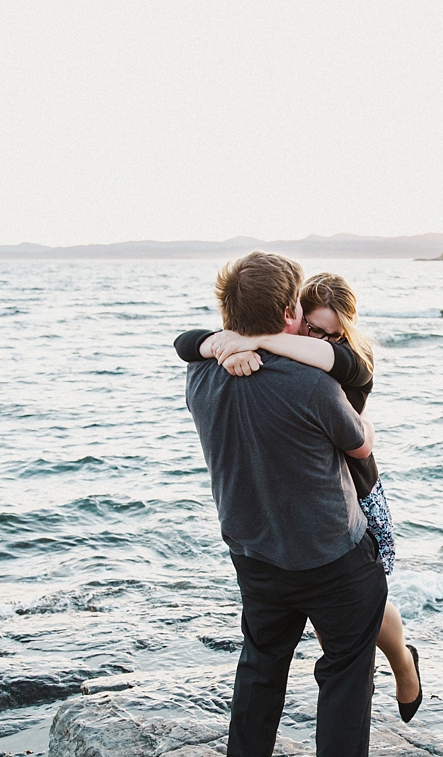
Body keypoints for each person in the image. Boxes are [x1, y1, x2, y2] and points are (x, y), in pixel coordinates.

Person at [180, 251, 397, 757]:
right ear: (288, 312)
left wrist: (223, 344)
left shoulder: (201, 376)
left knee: (263, 657)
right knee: (346, 666)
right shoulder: (312, 384)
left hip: (253, 552)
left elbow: (193, 343)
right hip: (331, 553)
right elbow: (359, 447)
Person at [175, 273, 423, 722]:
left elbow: (332, 369)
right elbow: (185, 341)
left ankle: (401, 664)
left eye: (331, 331)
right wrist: (224, 346)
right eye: (311, 326)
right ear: (296, 316)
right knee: (343, 613)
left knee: (360, 603)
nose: (320, 337)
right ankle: (355, 689)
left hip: (355, 486)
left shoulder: (350, 358)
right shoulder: (279, 347)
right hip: (305, 489)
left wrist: (252, 341)